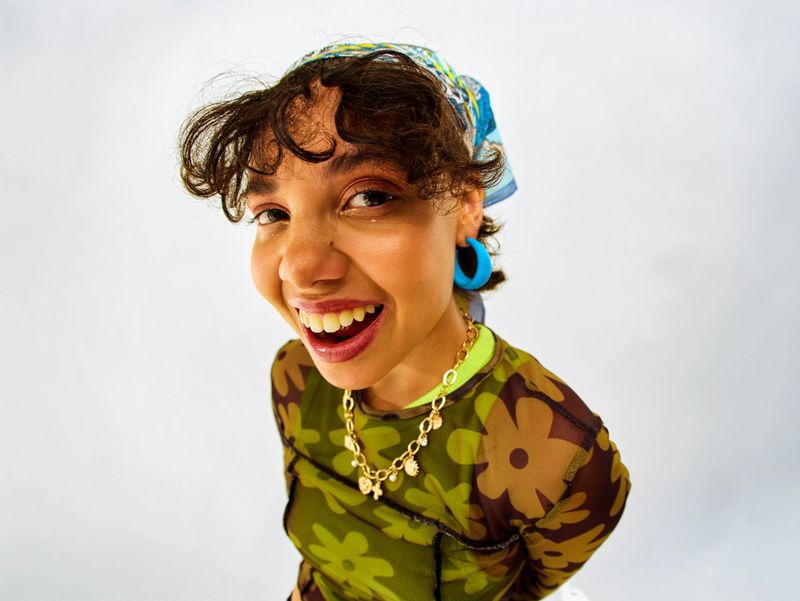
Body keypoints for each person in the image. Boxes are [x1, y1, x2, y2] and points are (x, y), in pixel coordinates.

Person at [179, 42, 631, 601]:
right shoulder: (295, 381)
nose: (300, 266)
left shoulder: (554, 450)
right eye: (273, 214)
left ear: (466, 205)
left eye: (368, 196)